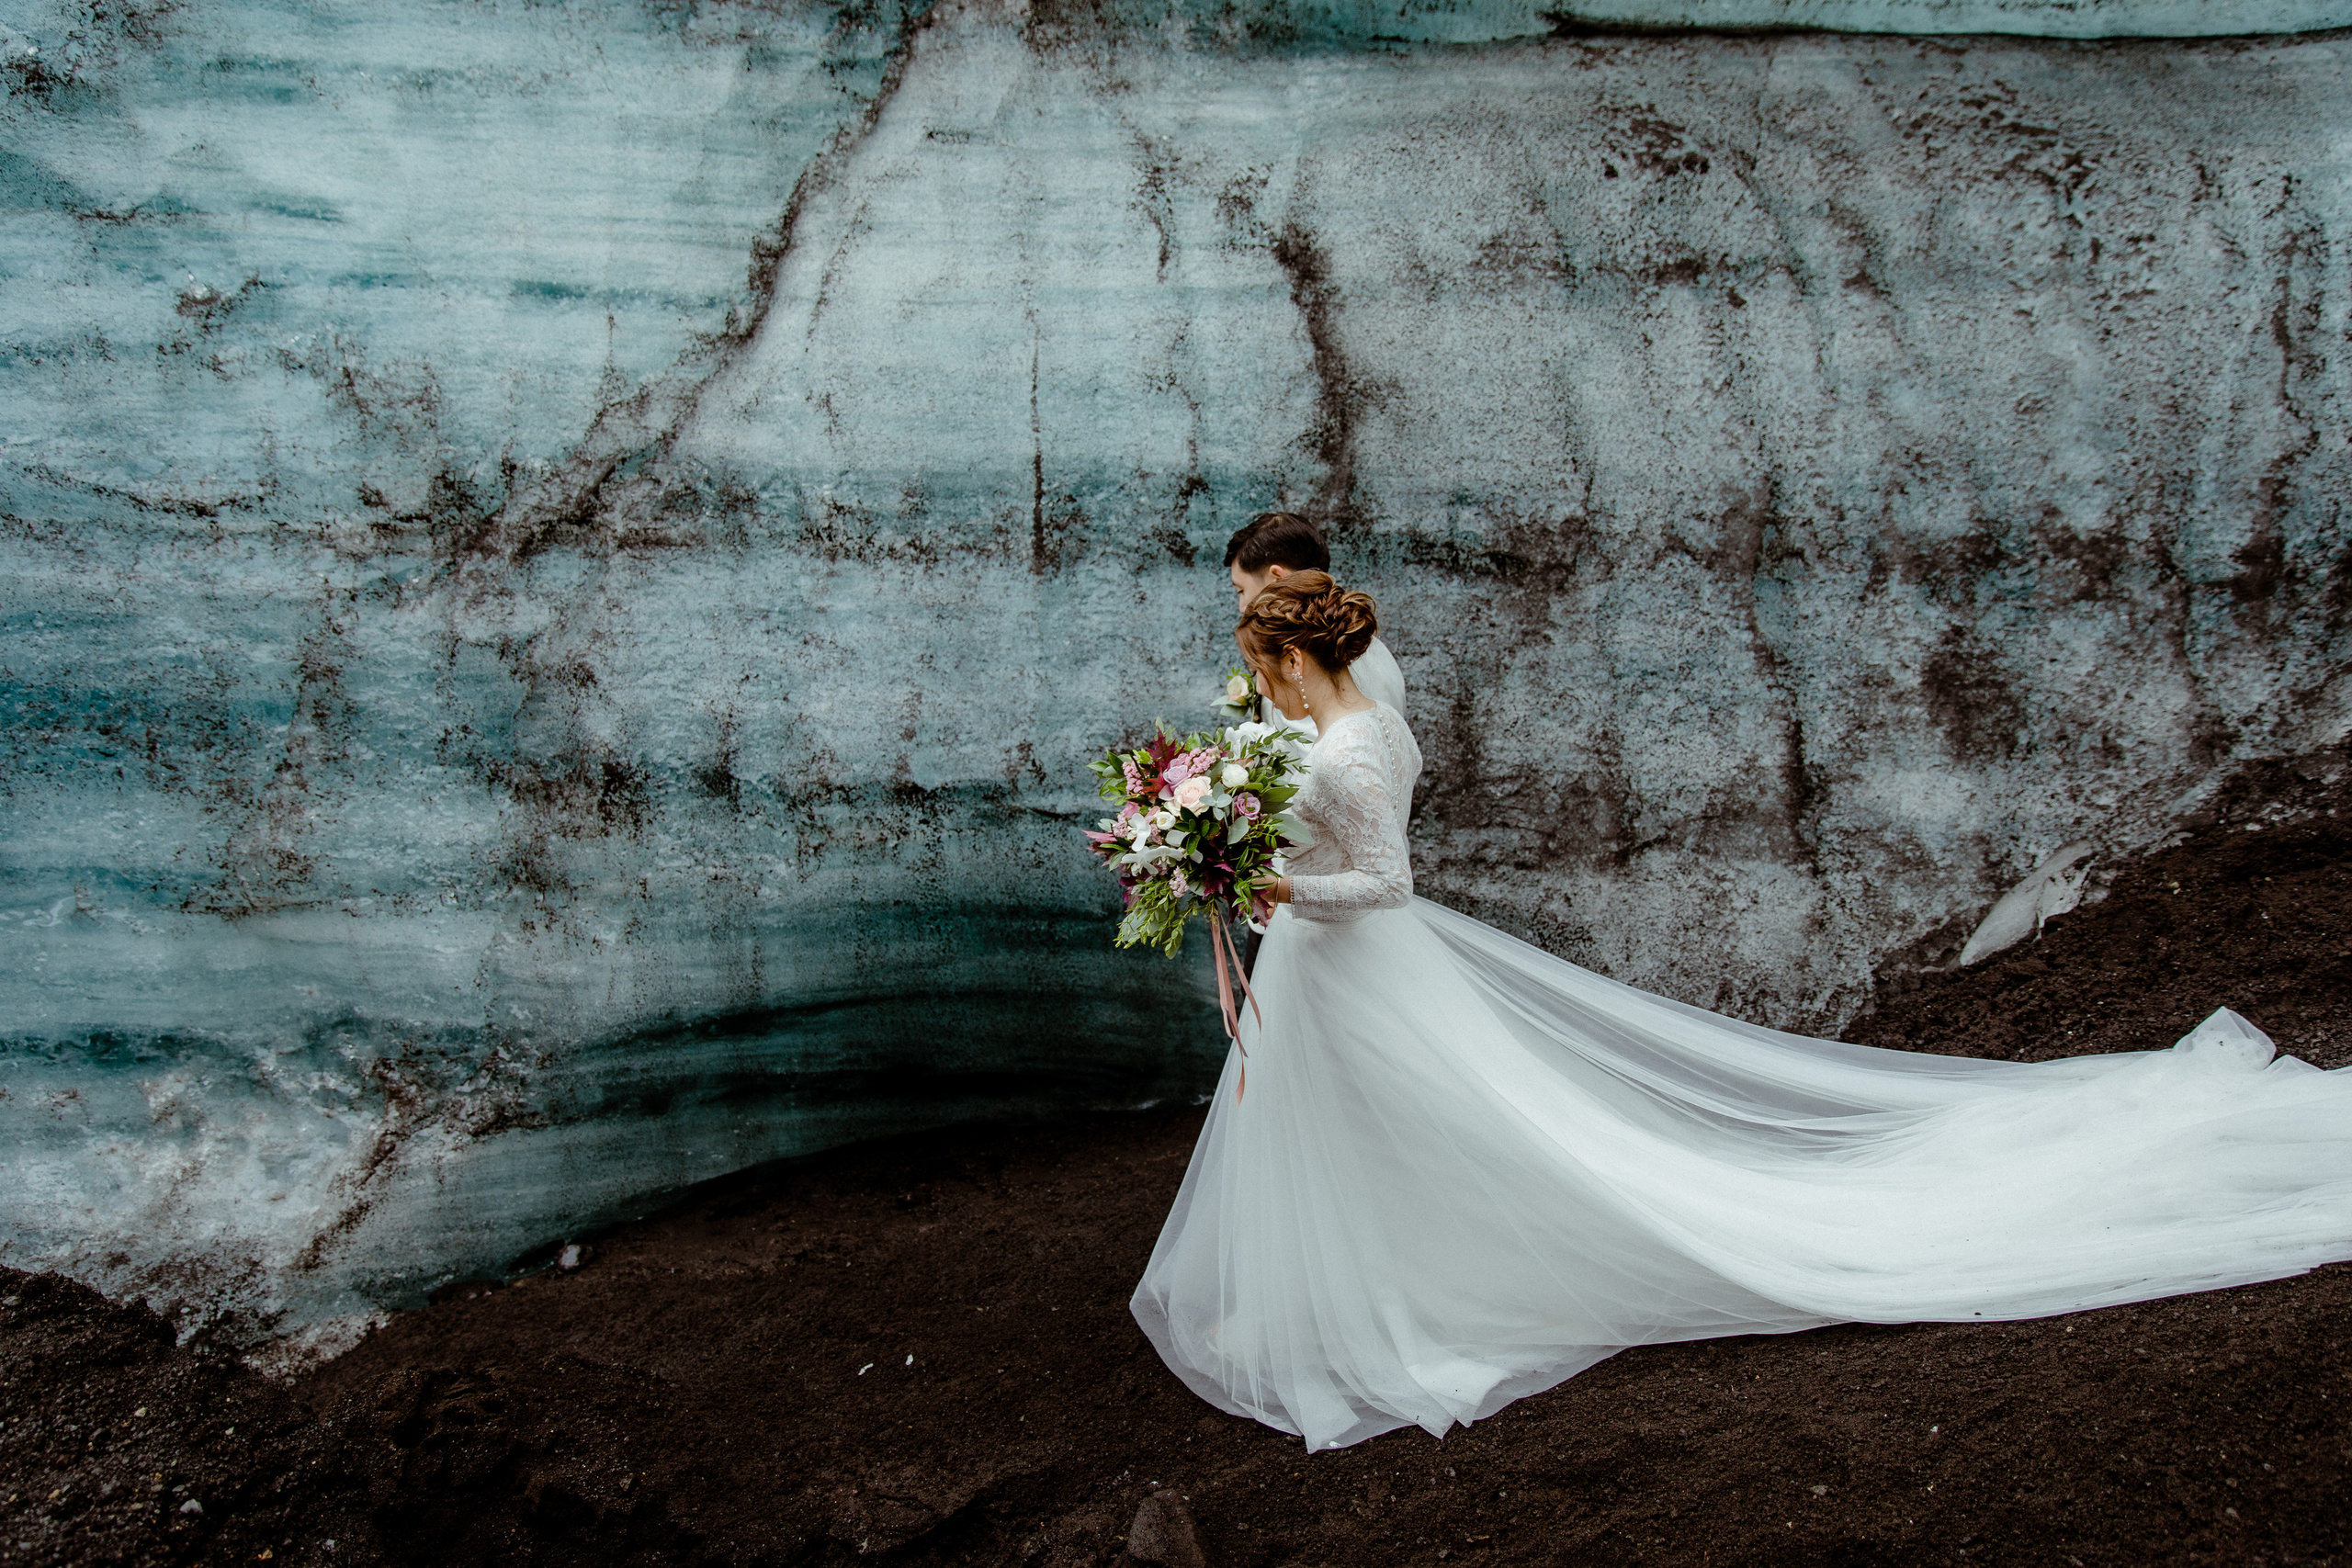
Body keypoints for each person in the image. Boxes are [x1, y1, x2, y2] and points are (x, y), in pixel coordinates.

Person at [1130, 571, 2352, 1453]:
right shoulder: (1374, 722)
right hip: (1342, 974)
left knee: (1438, 1126)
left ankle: (1398, 1294)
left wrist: (1272, 879)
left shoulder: (1343, 753)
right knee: (1374, 1131)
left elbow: (1387, 882)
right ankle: (1344, 1281)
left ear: (1292, 661)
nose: (1260, 691)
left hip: (1356, 964)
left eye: (1262, 669)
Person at [1224, 512, 1405, 731]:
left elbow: (1315, 758)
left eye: (1241, 590)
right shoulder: (1356, 642)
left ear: (1277, 578)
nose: (1242, 607)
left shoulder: (1319, 657)